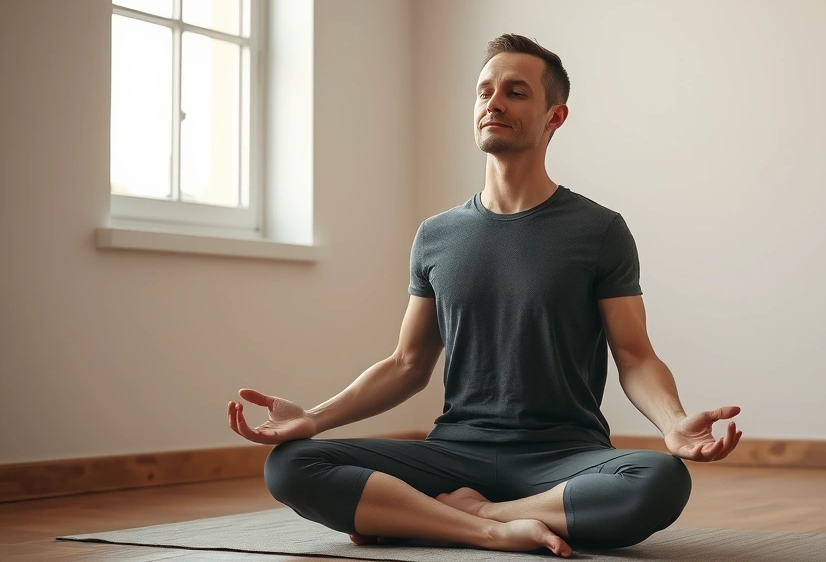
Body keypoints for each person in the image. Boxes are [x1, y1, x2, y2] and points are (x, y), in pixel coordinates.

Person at [227, 33, 742, 558]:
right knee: (291, 464)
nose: (493, 103)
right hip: (454, 454)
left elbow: (635, 356)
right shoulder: (436, 235)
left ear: (554, 117)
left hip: (563, 458)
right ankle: (492, 530)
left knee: (659, 478)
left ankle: (460, 514)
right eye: (484, 91)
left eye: (516, 92)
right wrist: (313, 419)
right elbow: (407, 364)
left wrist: (675, 424)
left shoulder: (600, 230)